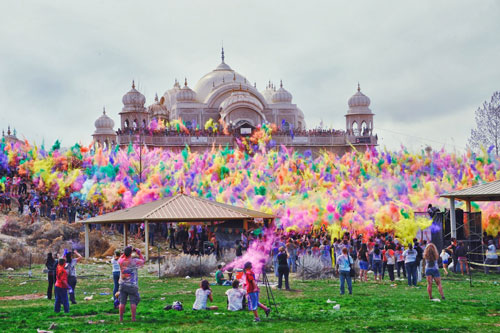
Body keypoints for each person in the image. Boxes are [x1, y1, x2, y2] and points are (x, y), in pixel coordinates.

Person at [118, 246, 145, 322]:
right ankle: (133, 318)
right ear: (131, 253)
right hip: (132, 284)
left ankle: (121, 318)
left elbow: (121, 257)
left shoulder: (121, 261)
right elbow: (143, 261)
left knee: (122, 302)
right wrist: (138, 253)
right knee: (133, 301)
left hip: (123, 283)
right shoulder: (134, 261)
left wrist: (125, 252)